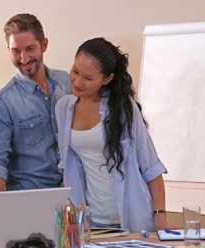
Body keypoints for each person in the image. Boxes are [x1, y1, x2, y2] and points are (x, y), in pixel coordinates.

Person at [55, 37, 168, 232]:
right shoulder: (64, 108)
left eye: (88, 78)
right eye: (75, 71)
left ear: (106, 79)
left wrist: (160, 218)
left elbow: (151, 168)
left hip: (132, 220)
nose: (78, 82)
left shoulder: (124, 109)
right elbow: (69, 167)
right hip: (90, 221)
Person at [0, 13, 71, 198]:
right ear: (8, 50)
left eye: (30, 48)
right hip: (30, 198)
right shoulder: (3, 103)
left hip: (74, 195)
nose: (23, 58)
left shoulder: (67, 83)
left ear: (44, 45)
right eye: (16, 51)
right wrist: (2, 209)